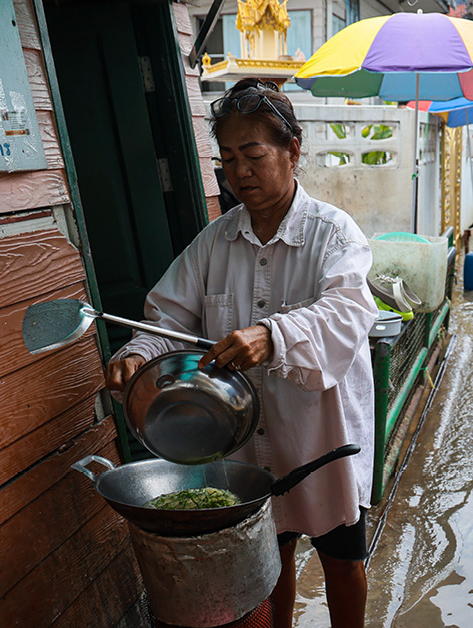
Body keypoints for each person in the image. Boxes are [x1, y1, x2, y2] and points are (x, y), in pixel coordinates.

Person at [103, 78, 377, 628]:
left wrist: (272, 335)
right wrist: (140, 351)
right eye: (227, 159)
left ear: (292, 150)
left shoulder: (333, 234)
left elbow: (350, 311)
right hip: (245, 439)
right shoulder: (216, 241)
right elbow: (169, 318)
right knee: (269, 557)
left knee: (342, 559)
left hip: (319, 432)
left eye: (253, 154)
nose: (240, 172)